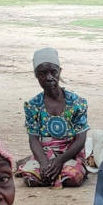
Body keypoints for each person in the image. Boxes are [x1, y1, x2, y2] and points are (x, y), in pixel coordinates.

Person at [14, 48, 89, 188]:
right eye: (42, 73)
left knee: (71, 177)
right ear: (36, 75)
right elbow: (33, 138)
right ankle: (37, 164)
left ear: (60, 71)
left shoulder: (77, 103)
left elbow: (80, 139)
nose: (49, 77)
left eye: (53, 72)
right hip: (46, 153)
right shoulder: (32, 105)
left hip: (70, 154)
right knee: (32, 178)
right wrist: (44, 163)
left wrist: (60, 160)